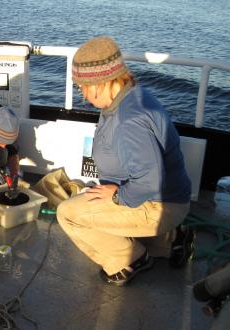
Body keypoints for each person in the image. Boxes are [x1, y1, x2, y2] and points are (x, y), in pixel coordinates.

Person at [56, 36, 192, 286]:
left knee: (68, 214)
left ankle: (130, 260)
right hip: (167, 199)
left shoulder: (130, 120)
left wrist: (117, 196)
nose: (83, 95)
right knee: (94, 206)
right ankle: (170, 242)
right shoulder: (130, 94)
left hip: (159, 204)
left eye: (81, 87)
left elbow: (150, 181)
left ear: (98, 83)